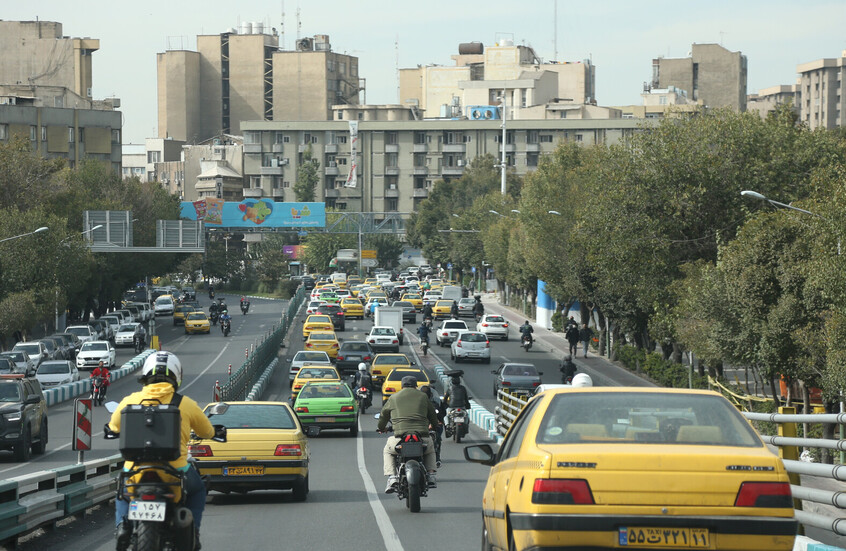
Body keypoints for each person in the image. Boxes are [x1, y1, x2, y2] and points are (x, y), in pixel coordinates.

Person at [109, 352, 215, 550]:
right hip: (175, 471)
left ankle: (122, 526)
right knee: (199, 490)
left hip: (135, 471)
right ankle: (195, 532)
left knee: (122, 493)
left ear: (146, 374)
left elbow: (114, 426)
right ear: (176, 376)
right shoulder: (186, 403)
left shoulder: (130, 400)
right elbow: (207, 431)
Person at [378, 376, 439, 494]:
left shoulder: (393, 397)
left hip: (400, 439)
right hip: (422, 437)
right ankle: (431, 475)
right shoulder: (423, 396)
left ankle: (392, 477)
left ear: (402, 386)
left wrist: (381, 428)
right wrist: (434, 426)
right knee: (431, 448)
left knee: (388, 450)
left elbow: (383, 416)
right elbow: (433, 415)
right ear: (416, 385)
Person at [419, 385, 445, 467]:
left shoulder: (417, 404)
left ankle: (437, 459)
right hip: (424, 427)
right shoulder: (434, 404)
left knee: (437, 439)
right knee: (438, 440)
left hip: (421, 427)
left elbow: (441, 414)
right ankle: (437, 459)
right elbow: (442, 414)